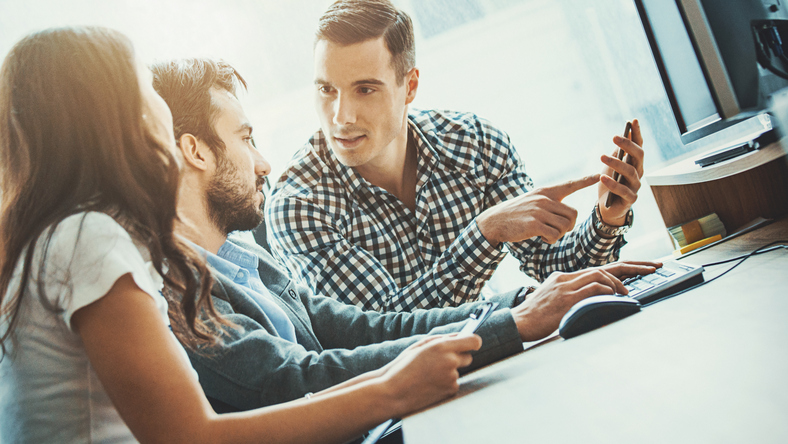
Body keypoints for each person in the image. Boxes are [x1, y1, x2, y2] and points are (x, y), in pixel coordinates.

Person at [0, 27, 485, 444]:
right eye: (142, 86)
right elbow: (190, 435)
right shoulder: (89, 239)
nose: (159, 106)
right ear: (110, 116)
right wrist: (392, 390)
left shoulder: (55, 240)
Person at [151, 57, 660, 413]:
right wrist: (511, 318)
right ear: (195, 152)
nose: (264, 162)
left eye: (365, 88)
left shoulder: (242, 258)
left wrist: (533, 298)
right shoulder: (176, 289)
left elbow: (368, 328)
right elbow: (306, 377)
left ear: (408, 87)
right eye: (245, 138)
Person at [266, 0, 647, 312]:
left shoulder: (474, 144)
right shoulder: (298, 204)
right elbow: (384, 329)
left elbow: (555, 270)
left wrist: (607, 218)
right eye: (327, 90)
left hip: (488, 360)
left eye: (365, 90)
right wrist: (486, 232)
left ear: (410, 85)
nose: (341, 116)